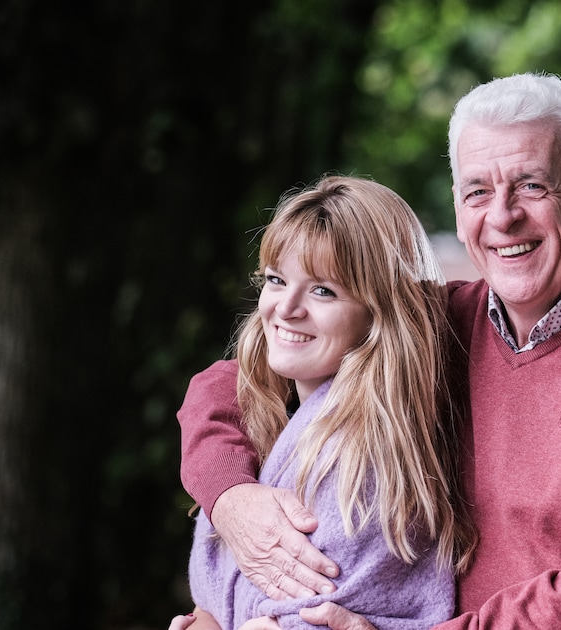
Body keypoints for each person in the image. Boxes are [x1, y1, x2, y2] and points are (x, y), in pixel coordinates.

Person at [175, 72, 561, 629]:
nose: (502, 216)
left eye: (532, 185)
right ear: (457, 206)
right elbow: (232, 381)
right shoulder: (447, 322)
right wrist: (231, 496)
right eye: (478, 191)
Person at [179, 175, 474, 629]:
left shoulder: (362, 461)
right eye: (277, 280)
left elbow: (307, 614)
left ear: (380, 314)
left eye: (323, 291)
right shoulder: (276, 410)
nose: (286, 307)